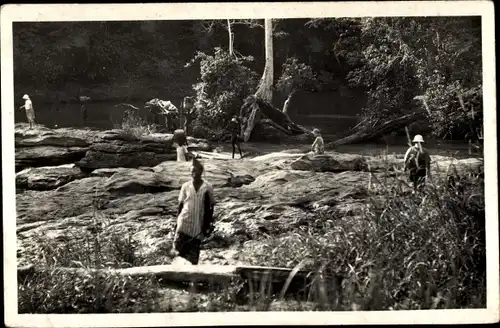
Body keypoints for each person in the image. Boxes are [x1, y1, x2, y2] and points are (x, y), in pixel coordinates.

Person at [171, 158, 216, 265]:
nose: (193, 173)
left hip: (197, 222)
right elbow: (181, 205)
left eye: (195, 171)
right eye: (191, 171)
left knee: (194, 252)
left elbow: (211, 205)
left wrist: (207, 222)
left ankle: (192, 276)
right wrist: (177, 221)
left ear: (201, 171)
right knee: (178, 249)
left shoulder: (207, 187)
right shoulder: (185, 186)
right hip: (185, 220)